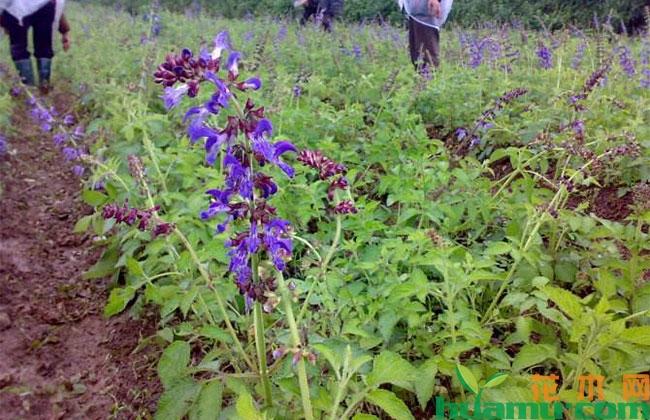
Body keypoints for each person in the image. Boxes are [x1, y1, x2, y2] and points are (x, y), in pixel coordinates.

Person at [0, 0, 70, 92]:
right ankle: (44, 86)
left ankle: (30, 89)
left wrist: (6, 23)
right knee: (44, 47)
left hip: (16, 7)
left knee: (19, 48)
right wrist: (65, 30)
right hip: (46, 5)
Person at [399, 0, 452, 68]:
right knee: (418, 59)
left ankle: (428, 77)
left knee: (426, 62)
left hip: (425, 14)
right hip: (415, 12)